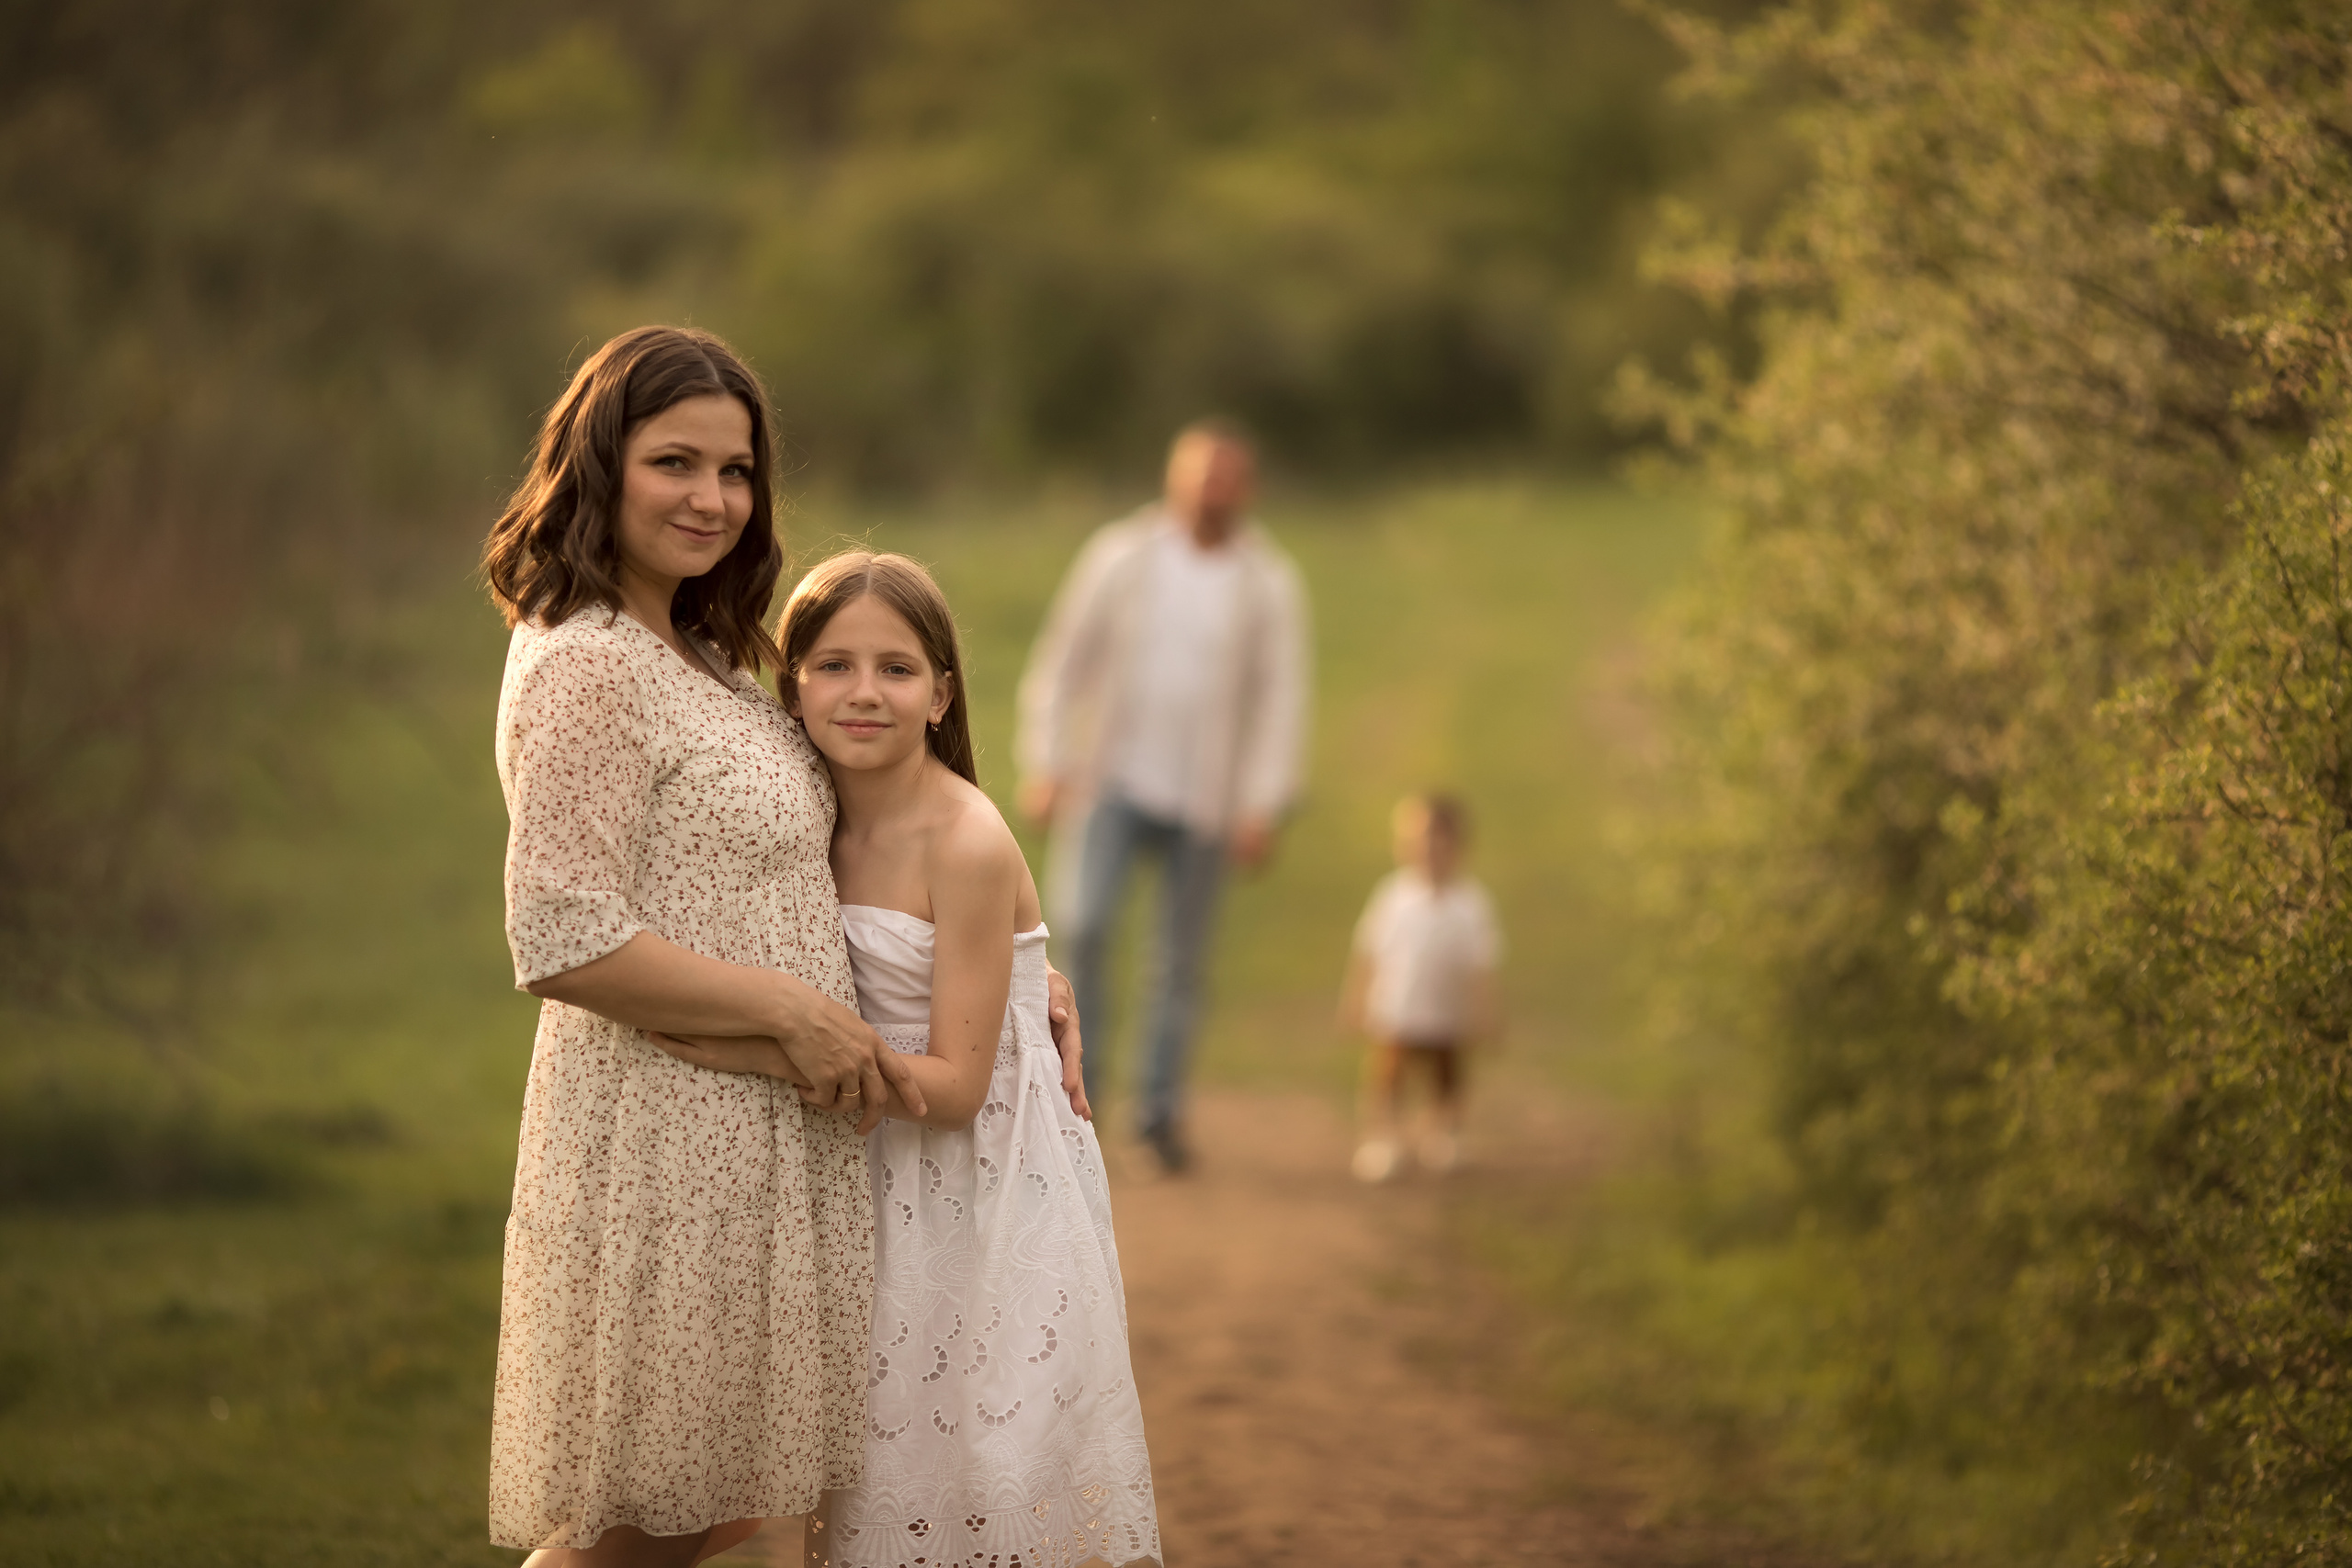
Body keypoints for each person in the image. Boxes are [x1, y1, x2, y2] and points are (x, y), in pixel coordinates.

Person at [479, 327, 1082, 1568]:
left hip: (767, 1137)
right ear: (602, 462)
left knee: (728, 1500)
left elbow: (812, 860)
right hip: (664, 1137)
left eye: (736, 470)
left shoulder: (696, 649)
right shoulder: (588, 658)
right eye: (675, 462)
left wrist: (1015, 975)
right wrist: (790, 1012)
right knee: (642, 1525)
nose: (711, 498)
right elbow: (561, 933)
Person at [657, 551, 1160, 1568]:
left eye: (896, 669)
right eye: (833, 665)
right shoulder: (802, 812)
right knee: (846, 1481)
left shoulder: (964, 840)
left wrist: (762, 1048)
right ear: (791, 686)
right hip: (861, 1173)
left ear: (941, 695)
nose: (863, 692)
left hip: (976, 1188)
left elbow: (959, 1089)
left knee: (969, 1476)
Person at [1015, 421, 1310, 1172]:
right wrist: (1047, 759)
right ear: (1175, 478)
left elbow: (1280, 696)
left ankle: (1158, 1112)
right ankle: (1077, 1094)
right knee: (1083, 925)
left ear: (1246, 489)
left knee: (1179, 959)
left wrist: (1262, 802)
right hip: (1110, 777)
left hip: (1207, 796)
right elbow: (1063, 657)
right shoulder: (1122, 556)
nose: (1212, 490)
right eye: (1201, 475)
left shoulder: (1267, 581)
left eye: (1227, 478)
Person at [1339, 794, 1503, 1182]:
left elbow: (1482, 964)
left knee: (1447, 1076)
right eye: (1417, 841)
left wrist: (1487, 1011)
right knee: (1387, 1078)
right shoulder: (1393, 897)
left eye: (1438, 841)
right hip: (1397, 1009)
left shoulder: (1471, 904)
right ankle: (1382, 1138)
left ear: (1458, 847)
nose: (1428, 851)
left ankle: (1444, 1134)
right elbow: (1368, 952)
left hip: (1447, 1011)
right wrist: (1356, 999)